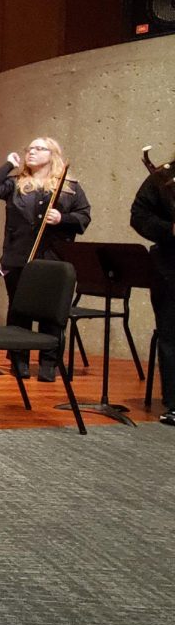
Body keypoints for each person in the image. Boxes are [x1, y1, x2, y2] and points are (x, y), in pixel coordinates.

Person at [0, 137, 91, 381]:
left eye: (38, 148)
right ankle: (19, 360)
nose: (31, 152)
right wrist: (7, 165)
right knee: (19, 309)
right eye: (29, 148)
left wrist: (62, 219)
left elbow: (84, 216)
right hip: (18, 256)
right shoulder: (15, 184)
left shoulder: (70, 187)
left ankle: (48, 363)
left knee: (51, 313)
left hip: (55, 258)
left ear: (52, 154)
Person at [130, 155, 175, 425]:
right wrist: (170, 228)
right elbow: (138, 215)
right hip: (170, 269)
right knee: (172, 334)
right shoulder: (163, 177)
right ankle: (174, 403)